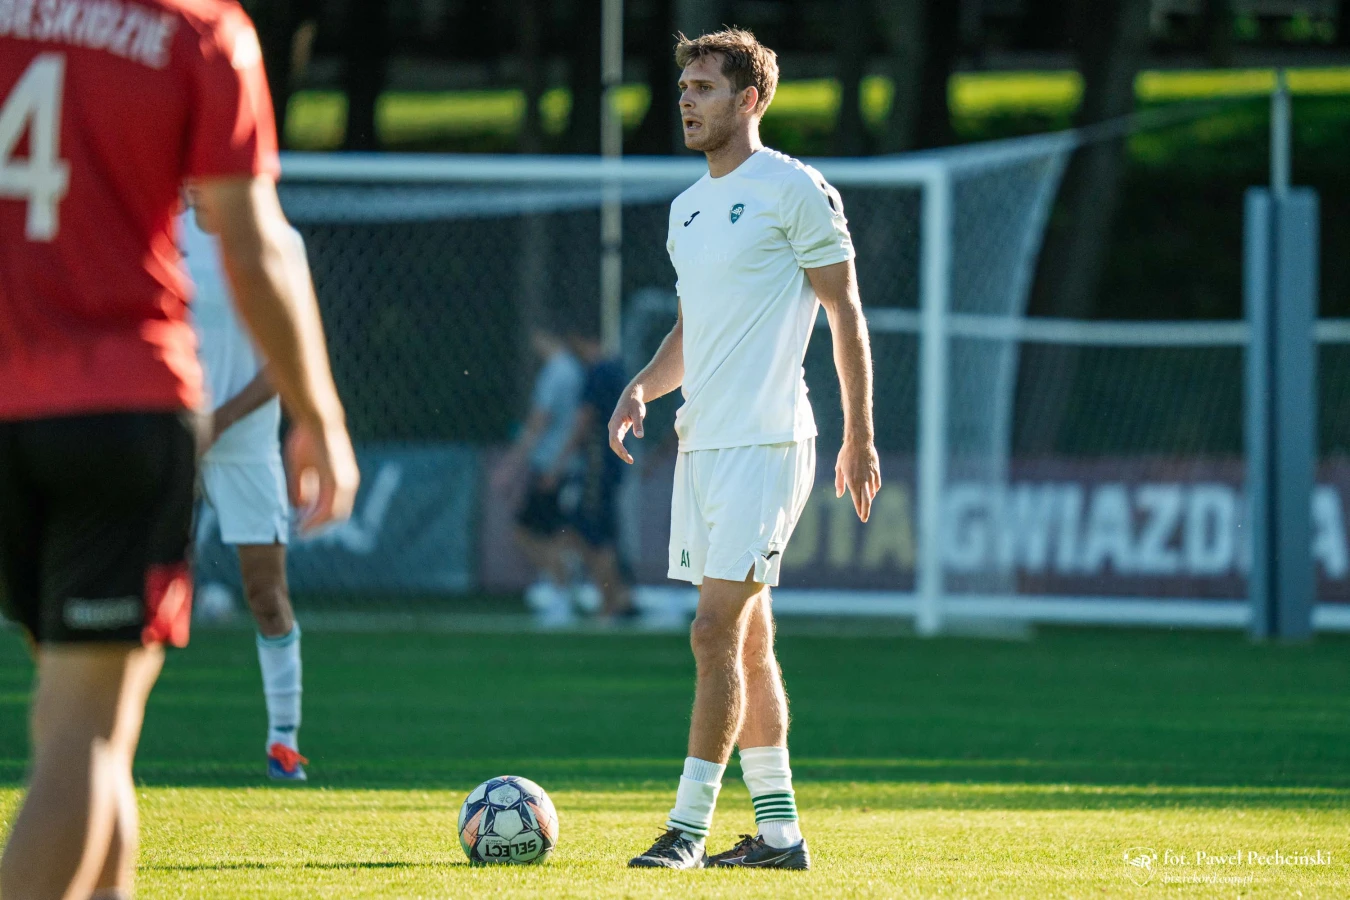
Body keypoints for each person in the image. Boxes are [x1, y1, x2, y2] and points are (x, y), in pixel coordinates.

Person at [0, 4, 359, 899]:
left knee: (89, 725)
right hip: (119, 407)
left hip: (12, 406)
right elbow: (255, 241)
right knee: (85, 734)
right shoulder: (197, 31)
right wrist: (320, 414)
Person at [611, 29, 881, 870]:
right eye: (683, 88)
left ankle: (686, 831)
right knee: (748, 644)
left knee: (711, 631)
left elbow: (844, 309)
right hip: (703, 445)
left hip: (769, 442)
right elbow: (691, 332)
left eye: (703, 88)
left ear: (750, 99)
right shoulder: (687, 209)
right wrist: (642, 387)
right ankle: (780, 836)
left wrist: (859, 433)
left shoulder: (794, 188)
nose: (686, 101)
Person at [181, 198, 309, 782]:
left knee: (266, 595)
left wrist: (220, 422)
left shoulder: (274, 240)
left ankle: (284, 743)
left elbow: (291, 358)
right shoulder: (160, 231)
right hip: (167, 435)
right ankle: (102, 747)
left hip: (246, 445)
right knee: (132, 595)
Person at [491, 325, 585, 624]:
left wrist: (510, 466)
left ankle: (560, 589)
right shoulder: (572, 370)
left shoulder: (557, 372)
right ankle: (560, 586)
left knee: (526, 531)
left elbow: (538, 421)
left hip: (551, 465)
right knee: (552, 534)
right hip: (561, 464)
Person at [556, 328, 637, 623]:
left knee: (592, 533)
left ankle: (610, 602)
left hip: (597, 464)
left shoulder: (599, 372)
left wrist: (558, 463)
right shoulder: (616, 369)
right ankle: (621, 596)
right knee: (602, 530)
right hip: (610, 463)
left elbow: (585, 418)